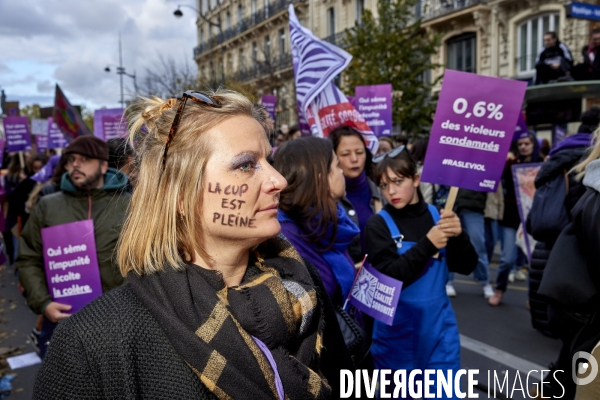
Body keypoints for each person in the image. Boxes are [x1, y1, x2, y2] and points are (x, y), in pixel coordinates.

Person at [34, 90, 352, 398]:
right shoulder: (93, 341)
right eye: (245, 165)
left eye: (268, 160)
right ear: (182, 195)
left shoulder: (299, 277)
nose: (278, 180)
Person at [365, 148, 477, 396]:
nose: (391, 191)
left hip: (439, 331)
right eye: (383, 185)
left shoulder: (439, 217)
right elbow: (391, 276)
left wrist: (458, 236)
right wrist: (429, 244)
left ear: (415, 179)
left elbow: (467, 266)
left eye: (398, 181)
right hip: (396, 337)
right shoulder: (377, 224)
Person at [17, 136, 131, 358]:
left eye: (85, 159)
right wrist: (43, 303)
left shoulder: (130, 204)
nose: (75, 164)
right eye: (71, 159)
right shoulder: (49, 206)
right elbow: (28, 257)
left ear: (104, 165)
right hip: (64, 321)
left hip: (119, 321)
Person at [274, 136, 359, 303]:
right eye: (337, 166)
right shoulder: (286, 237)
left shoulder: (325, 221)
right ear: (322, 179)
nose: (342, 173)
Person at [489, 131, 542, 306]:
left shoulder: (543, 165)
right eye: (520, 144)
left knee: (532, 260)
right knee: (507, 259)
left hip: (533, 220)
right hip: (511, 219)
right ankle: (499, 289)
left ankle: (532, 297)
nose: (523, 147)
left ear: (534, 145)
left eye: (527, 143)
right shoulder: (510, 165)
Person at [329, 125, 384, 264]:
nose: (354, 159)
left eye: (359, 152)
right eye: (345, 154)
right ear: (333, 157)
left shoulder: (382, 189)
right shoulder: (327, 198)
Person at [448, 189, 495, 299]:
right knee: (448, 245)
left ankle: (484, 280)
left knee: (478, 245)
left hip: (473, 205)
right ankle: (448, 281)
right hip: (452, 203)